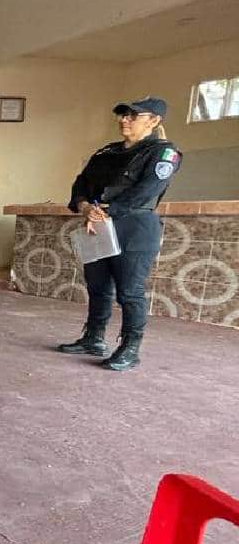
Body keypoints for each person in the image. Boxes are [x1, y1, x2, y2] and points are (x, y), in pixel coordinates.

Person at [57, 97, 181, 371]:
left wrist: (105, 211)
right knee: (98, 287)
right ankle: (93, 338)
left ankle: (130, 348)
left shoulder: (163, 153)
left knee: (130, 292)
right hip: (98, 224)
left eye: (133, 116)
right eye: (123, 115)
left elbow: (147, 190)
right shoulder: (106, 153)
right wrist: (85, 206)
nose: (124, 120)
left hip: (134, 228)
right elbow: (81, 182)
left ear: (153, 120)